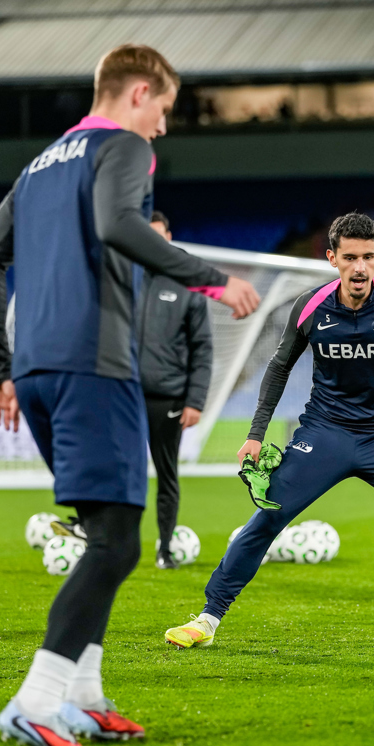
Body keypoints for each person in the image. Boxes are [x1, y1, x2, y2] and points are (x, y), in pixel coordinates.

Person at [0, 44, 260, 746]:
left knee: (106, 533)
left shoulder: (39, 164)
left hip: (38, 370)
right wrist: (211, 279)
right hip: (94, 367)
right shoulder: (124, 146)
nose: (161, 126)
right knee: (118, 542)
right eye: (163, 109)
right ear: (137, 93)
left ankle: (85, 697)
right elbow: (116, 224)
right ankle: (36, 703)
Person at [165, 212, 374, 651]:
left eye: (367, 257)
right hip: (325, 432)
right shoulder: (310, 306)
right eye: (349, 257)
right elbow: (278, 368)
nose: (359, 267)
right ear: (332, 258)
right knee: (268, 517)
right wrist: (255, 433)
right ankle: (208, 618)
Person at [139, 210, 213, 569]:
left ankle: (164, 549)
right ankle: (104, 544)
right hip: (123, 395)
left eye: (158, 236)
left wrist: (194, 400)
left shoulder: (188, 282)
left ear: (168, 237)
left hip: (167, 397)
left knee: (166, 474)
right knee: (112, 472)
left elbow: (203, 348)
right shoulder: (123, 277)